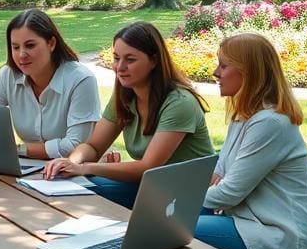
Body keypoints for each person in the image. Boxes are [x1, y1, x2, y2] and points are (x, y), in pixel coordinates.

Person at [44, 21, 214, 208]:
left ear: (154, 61)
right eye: (116, 58)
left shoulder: (180, 103)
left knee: (90, 188)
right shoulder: (125, 96)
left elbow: (147, 168)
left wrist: (84, 168)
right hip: (153, 188)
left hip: (189, 196)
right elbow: (93, 146)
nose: (120, 67)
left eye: (130, 59)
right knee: (76, 189)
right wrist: (70, 162)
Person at [195, 33, 307, 249]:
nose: (216, 72)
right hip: (246, 222)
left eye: (224, 65)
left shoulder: (270, 123)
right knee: (160, 225)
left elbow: (229, 192)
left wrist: (182, 201)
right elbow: (218, 175)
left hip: (276, 235)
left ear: (248, 72)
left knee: (170, 232)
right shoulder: (244, 116)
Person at [0, 8, 100, 159]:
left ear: (51, 43)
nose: (21, 55)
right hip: (28, 170)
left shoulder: (81, 80)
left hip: (75, 173)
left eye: (30, 45)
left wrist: (17, 149)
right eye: (15, 47)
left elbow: (75, 146)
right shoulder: (8, 75)